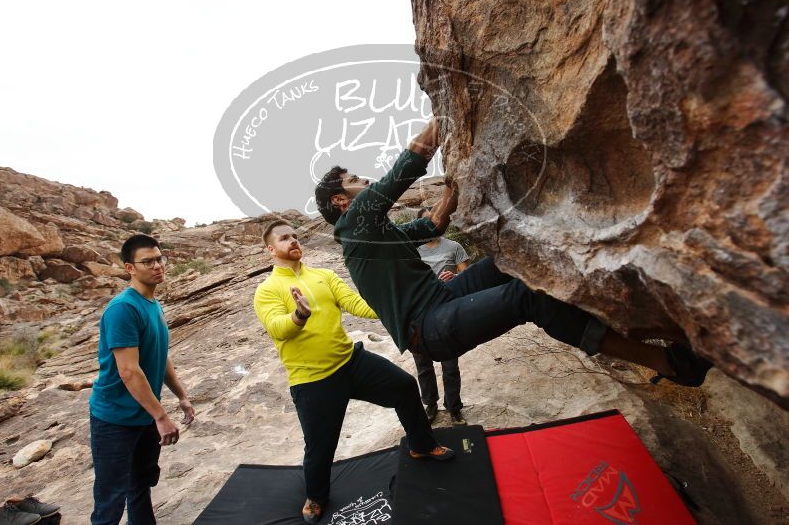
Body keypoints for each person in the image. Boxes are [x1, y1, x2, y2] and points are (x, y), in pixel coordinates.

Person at [314, 118, 713, 389]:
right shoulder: (354, 226)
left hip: (440, 300)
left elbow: (433, 225)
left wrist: (455, 185)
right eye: (353, 180)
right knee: (528, 297)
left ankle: (669, 335)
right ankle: (668, 362)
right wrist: (441, 115)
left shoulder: (376, 234)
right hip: (428, 328)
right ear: (340, 200)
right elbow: (407, 166)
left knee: (515, 263)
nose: (363, 180)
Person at [253, 221, 454, 524]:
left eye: (295, 236)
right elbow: (278, 329)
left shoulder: (323, 276)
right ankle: (316, 497)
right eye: (284, 238)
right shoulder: (267, 290)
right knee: (320, 448)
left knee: (404, 386)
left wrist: (398, 307)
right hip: (313, 380)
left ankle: (421, 446)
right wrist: (299, 315)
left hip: (351, 362)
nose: (293, 241)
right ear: (270, 249)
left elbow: (356, 304)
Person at [88, 234, 195, 525]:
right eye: (147, 261)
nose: (157, 266)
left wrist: (181, 396)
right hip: (114, 420)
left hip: (144, 416)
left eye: (160, 259)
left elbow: (161, 356)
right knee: (111, 499)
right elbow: (128, 371)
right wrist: (161, 417)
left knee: (140, 486)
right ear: (129, 268)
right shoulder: (123, 308)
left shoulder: (153, 304)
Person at [413, 207, 469, 425]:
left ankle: (454, 407)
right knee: (423, 363)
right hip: (420, 310)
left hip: (446, 308)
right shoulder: (413, 250)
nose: (432, 224)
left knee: (450, 363)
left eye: (435, 219)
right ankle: (430, 404)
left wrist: (454, 276)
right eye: (426, 221)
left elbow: (467, 275)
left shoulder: (454, 246)